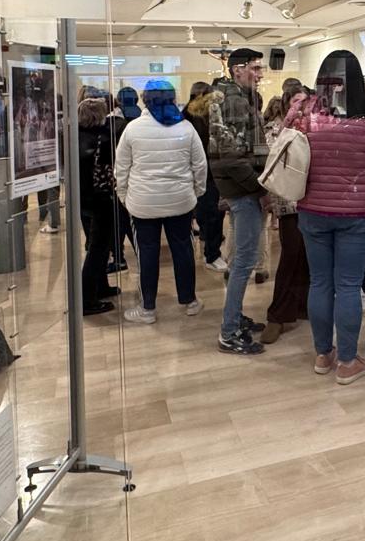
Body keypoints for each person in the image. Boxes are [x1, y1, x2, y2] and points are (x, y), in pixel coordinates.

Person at [285, 50, 365, 385]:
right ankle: (348, 361)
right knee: (348, 285)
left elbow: (286, 145)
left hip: (312, 210)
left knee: (320, 282)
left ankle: (323, 354)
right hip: (357, 212)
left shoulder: (305, 112)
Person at [115, 81, 207, 323]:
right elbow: (200, 166)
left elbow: (121, 169)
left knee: (147, 253)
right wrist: (195, 193)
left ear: (145, 99)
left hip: (143, 203)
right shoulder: (186, 128)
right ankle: (190, 301)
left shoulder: (133, 129)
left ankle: (147, 308)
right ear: (172, 98)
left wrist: (125, 197)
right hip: (180, 201)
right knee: (183, 250)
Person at [206, 47, 271, 355]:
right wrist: (260, 188)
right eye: (255, 69)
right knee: (244, 262)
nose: (260, 75)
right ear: (238, 69)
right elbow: (232, 156)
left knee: (241, 260)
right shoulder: (233, 100)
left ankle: (235, 317)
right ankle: (229, 331)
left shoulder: (236, 97)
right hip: (243, 191)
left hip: (241, 189)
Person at [261, 85, 313, 343]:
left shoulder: (314, 127)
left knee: (307, 256)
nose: (301, 106)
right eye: (296, 101)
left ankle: (302, 305)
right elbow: (273, 156)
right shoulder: (276, 128)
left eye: (305, 101)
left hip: (311, 201)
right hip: (288, 203)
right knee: (291, 255)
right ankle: (277, 315)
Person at [75, 98, 119, 316]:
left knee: (96, 245)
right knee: (99, 248)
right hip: (101, 198)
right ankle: (87, 299)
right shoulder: (104, 138)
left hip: (82, 199)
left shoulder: (75, 137)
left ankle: (101, 286)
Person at [184, 81, 227, 272]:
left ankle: (211, 251)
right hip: (205, 170)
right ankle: (212, 254)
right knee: (211, 213)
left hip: (207, 170)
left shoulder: (190, 115)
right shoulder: (190, 116)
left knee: (210, 213)